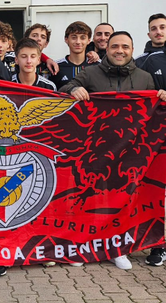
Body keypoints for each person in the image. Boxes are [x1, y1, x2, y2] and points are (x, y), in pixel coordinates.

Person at [61, 32, 166, 269]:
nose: (120, 50)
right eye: (115, 46)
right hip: (95, 151)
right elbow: (65, 86)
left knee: (122, 201)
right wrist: (72, 90)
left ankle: (116, 248)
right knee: (89, 200)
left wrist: (162, 97)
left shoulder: (145, 77)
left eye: (125, 47)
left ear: (132, 49)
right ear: (106, 48)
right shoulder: (90, 72)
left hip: (130, 154)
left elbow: (154, 112)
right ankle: (83, 247)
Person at [137, 24, 166, 267]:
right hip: (158, 138)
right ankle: (158, 244)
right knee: (156, 191)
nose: (158, 31)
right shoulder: (145, 62)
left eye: (163, 27)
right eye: (154, 28)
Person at [50, 21, 99, 89]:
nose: (78, 42)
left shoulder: (98, 66)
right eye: (74, 37)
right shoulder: (56, 67)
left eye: (82, 38)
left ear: (88, 40)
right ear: (66, 39)